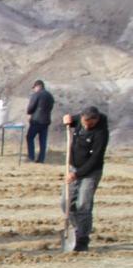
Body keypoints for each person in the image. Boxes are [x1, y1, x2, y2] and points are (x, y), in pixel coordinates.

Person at [62, 106, 109, 253]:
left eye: (90, 124)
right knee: (66, 203)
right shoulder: (79, 119)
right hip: (73, 169)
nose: (87, 126)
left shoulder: (101, 133)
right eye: (84, 122)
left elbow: (95, 159)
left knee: (83, 204)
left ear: (96, 120)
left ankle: (82, 239)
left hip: (91, 172)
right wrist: (66, 119)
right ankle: (77, 229)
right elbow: (71, 119)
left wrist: (77, 174)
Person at [26, 80, 54, 163]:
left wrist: (30, 112)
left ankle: (31, 157)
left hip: (36, 120)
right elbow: (50, 107)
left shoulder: (36, 95)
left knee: (30, 137)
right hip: (46, 121)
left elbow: (31, 107)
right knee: (43, 140)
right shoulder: (50, 96)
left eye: (34, 88)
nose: (34, 89)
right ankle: (41, 159)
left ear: (38, 86)